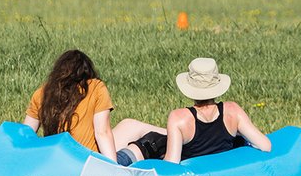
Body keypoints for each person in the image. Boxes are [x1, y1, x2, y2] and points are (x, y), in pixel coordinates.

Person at [115, 57, 271, 165]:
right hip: (210, 147)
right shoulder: (233, 111)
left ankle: (115, 161)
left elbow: (172, 163)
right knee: (130, 124)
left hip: (171, 151)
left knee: (149, 140)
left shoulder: (179, 118)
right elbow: (265, 145)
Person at [23, 49, 121, 160]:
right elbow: (102, 133)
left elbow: (25, 135)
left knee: (128, 125)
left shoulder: (42, 93)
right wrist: (113, 167)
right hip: (87, 163)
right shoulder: (96, 87)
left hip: (56, 161)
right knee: (134, 133)